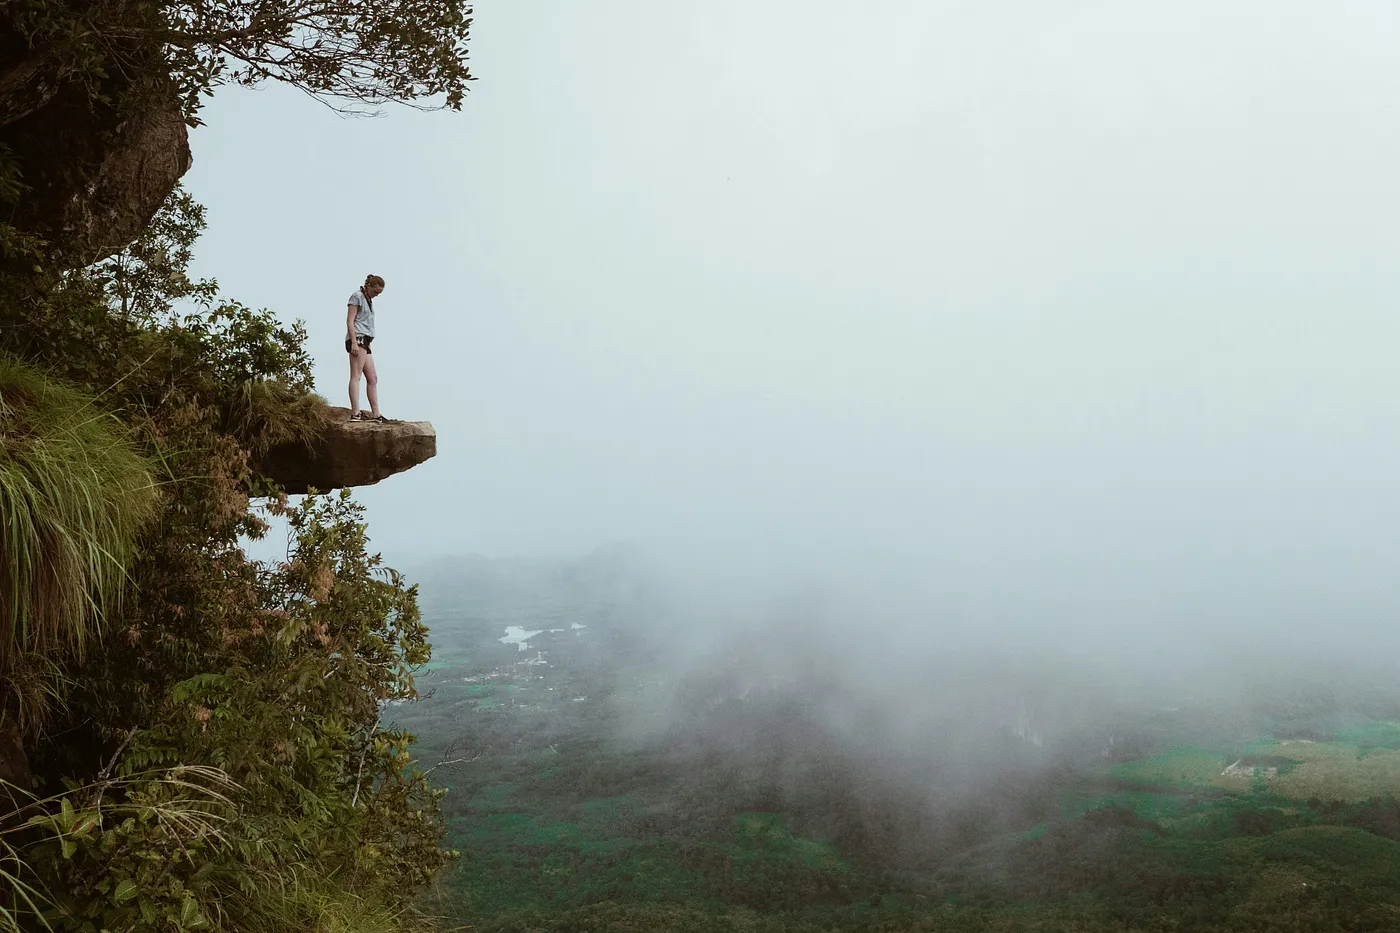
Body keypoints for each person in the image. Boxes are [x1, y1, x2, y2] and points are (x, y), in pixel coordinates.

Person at [346, 274, 388, 421]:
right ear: (369, 286)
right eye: (376, 292)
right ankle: (355, 413)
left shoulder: (368, 300)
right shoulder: (357, 296)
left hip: (366, 340)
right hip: (358, 338)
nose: (377, 295)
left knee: (373, 378)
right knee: (356, 376)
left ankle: (376, 414)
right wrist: (354, 343)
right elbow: (350, 321)